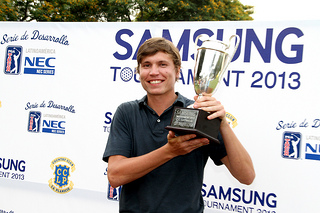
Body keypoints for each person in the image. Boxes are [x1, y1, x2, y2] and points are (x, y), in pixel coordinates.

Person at [102, 37, 255, 212]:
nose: (153, 72)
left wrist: (223, 124)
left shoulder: (199, 113)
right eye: (146, 65)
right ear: (139, 72)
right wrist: (170, 151)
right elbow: (115, 175)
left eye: (162, 64)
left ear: (177, 71)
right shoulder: (126, 112)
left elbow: (247, 176)